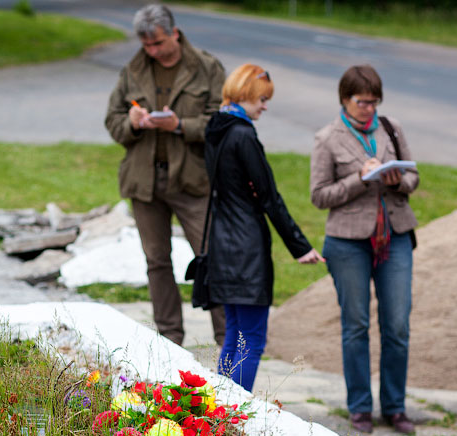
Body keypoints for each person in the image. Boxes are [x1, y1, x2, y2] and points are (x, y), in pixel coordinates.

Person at [105, 4, 226, 347]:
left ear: (174, 33)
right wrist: (133, 122)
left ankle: (228, 340)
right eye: (147, 45)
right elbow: (113, 121)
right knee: (157, 262)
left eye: (158, 43)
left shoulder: (206, 67)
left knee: (211, 258)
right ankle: (170, 340)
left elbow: (223, 121)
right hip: (145, 181)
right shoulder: (134, 69)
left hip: (193, 180)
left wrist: (180, 126)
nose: (153, 51)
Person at [310, 65, 419, 435]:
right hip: (347, 243)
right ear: (345, 99)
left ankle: (395, 407)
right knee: (355, 325)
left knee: (398, 323)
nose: (369, 109)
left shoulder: (392, 127)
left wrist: (397, 180)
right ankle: (359, 408)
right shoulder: (327, 138)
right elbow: (319, 195)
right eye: (362, 102)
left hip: (396, 235)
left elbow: (414, 177)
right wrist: (359, 180)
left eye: (374, 102)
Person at [203, 64, 322, 392]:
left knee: (234, 334)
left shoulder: (217, 127)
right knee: (251, 339)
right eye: (262, 99)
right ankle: (235, 413)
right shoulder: (243, 134)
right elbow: (269, 196)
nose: (265, 106)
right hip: (246, 247)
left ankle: (220, 410)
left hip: (222, 244)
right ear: (244, 95)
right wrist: (300, 246)